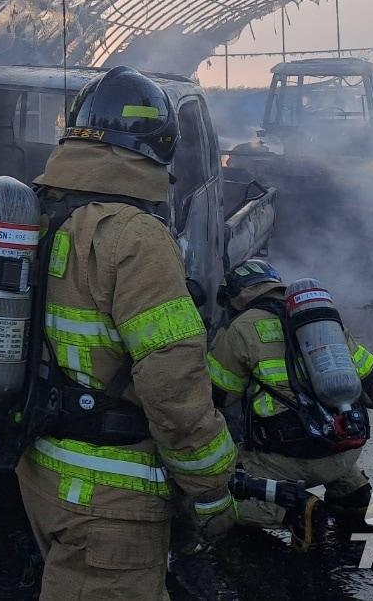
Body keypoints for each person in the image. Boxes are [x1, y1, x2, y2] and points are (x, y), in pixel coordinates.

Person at [16, 66, 237, 601]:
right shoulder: (135, 235)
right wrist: (210, 488)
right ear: (159, 147)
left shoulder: (37, 213)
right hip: (111, 491)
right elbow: (173, 381)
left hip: (44, 470)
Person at [206, 259, 373, 545]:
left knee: (214, 489)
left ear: (234, 297)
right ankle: (355, 495)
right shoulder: (322, 321)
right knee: (331, 451)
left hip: (284, 460)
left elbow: (217, 397)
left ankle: (296, 510)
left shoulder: (241, 328)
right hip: (343, 451)